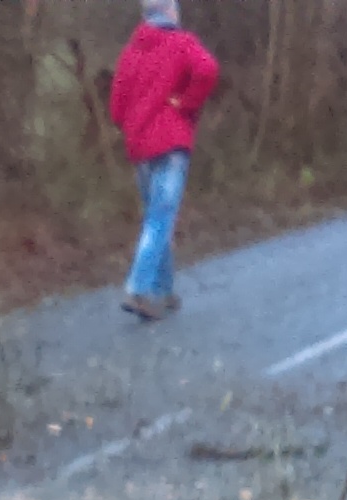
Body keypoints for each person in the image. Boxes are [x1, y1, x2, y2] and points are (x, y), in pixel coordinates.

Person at [108, 0, 221, 321]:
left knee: (155, 218)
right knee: (160, 218)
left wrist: (131, 124)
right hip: (171, 142)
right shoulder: (182, 43)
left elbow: (116, 108)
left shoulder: (130, 53)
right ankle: (138, 288)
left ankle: (164, 290)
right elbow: (208, 70)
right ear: (170, 12)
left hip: (140, 146)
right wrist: (186, 104)